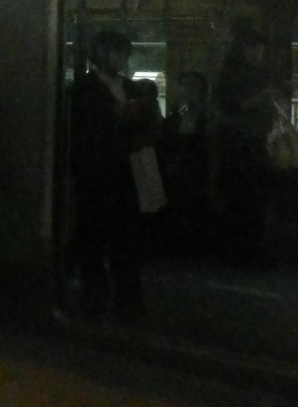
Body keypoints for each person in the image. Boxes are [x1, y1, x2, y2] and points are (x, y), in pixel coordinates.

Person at [70, 30, 145, 318]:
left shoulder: (129, 87)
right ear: (102, 54)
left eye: (125, 53)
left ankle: (127, 297)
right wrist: (118, 119)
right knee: (94, 234)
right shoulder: (85, 87)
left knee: (125, 236)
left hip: (125, 169)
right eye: (118, 52)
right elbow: (84, 127)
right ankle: (96, 294)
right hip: (97, 171)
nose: (122, 58)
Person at [215, 28, 280, 265]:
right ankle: (243, 251)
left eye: (260, 50)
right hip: (239, 146)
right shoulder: (233, 76)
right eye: (254, 50)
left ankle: (247, 250)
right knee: (244, 198)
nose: (258, 55)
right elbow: (228, 106)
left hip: (252, 143)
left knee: (251, 199)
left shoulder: (254, 74)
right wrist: (258, 101)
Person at [157, 71, 212, 257]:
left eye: (194, 86)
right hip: (178, 170)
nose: (189, 90)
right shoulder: (175, 117)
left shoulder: (208, 117)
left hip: (199, 170)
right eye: (186, 86)